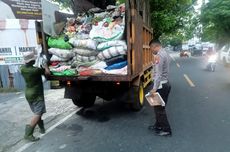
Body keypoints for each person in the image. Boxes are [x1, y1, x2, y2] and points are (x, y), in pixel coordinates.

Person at [20, 51, 50, 141]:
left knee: (37, 112)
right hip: (36, 94)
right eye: (34, 59)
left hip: (28, 93)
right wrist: (45, 66)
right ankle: (28, 134)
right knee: (38, 113)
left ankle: (42, 129)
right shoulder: (35, 70)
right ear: (32, 61)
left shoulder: (22, 68)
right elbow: (47, 73)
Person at [148, 39, 172, 137]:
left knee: (159, 109)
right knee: (158, 107)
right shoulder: (165, 52)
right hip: (166, 84)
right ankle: (158, 125)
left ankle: (167, 130)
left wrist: (154, 88)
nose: (151, 51)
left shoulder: (159, 55)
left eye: (151, 49)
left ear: (155, 46)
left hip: (161, 86)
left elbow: (158, 74)